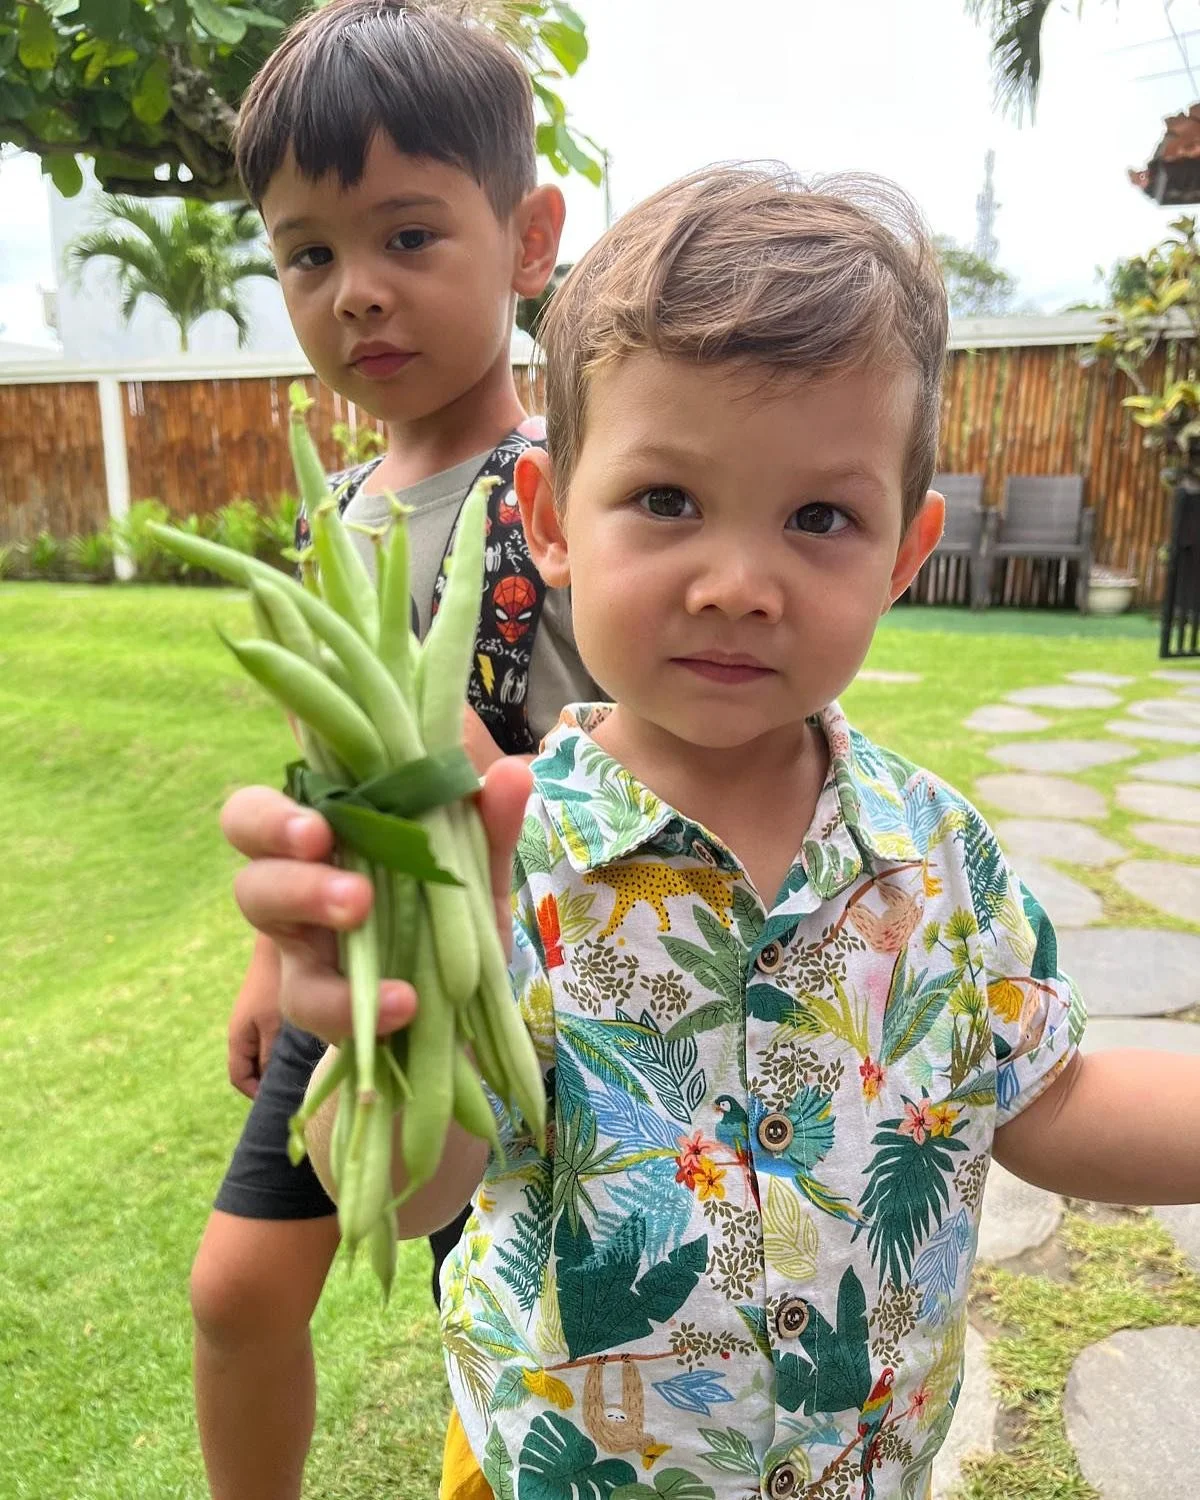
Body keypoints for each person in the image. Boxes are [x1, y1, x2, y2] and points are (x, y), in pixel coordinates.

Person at [225, 165, 1200, 1500]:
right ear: (554, 523)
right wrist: (394, 1031)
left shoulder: (937, 854)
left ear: (903, 556)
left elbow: (1056, 1100)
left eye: (820, 518)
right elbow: (402, 1197)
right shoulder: (515, 860)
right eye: (670, 502)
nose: (739, 584)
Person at [187, 4, 596, 1497]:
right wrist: (260, 959)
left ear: (529, 237)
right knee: (236, 1292)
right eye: (309, 254)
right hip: (362, 964)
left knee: (497, 1300)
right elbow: (321, 760)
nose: (357, 292)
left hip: (530, 986)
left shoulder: (584, 492)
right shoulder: (341, 506)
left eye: (409, 236)